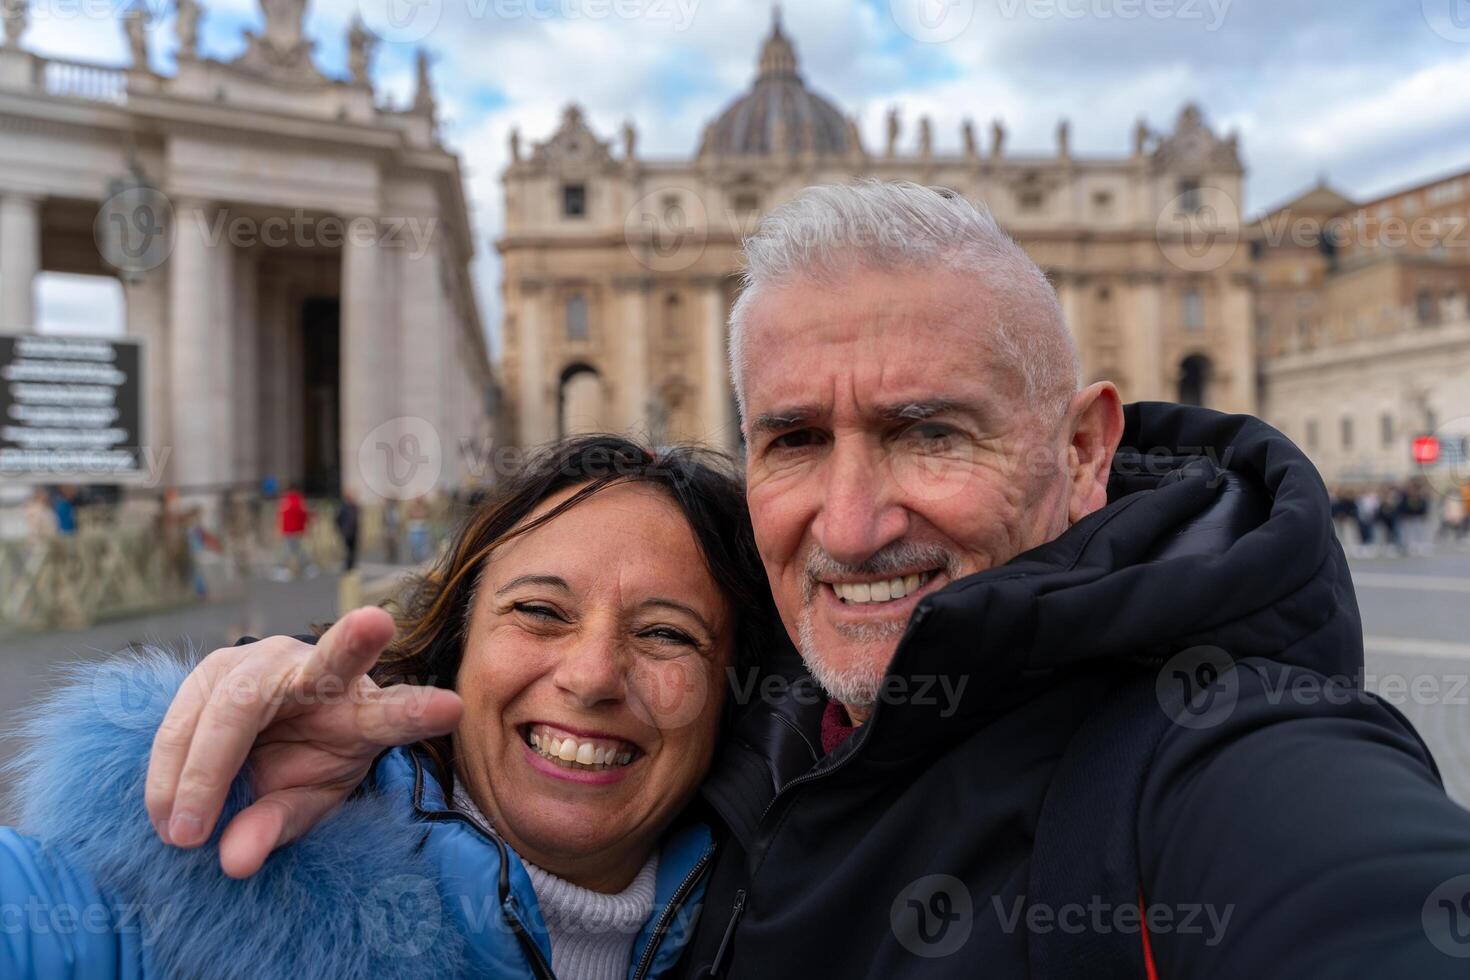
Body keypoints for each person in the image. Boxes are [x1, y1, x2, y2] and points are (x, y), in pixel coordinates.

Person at [136, 182, 1470, 976]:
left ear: (1081, 449)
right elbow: (554, 678)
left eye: (928, 430)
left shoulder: (1224, 759)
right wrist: (346, 746)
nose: (850, 519)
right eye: (790, 440)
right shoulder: (750, 706)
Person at [0, 436, 775, 978]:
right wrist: (211, 808)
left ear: (731, 699)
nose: (594, 675)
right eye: (540, 612)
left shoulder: (792, 925)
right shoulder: (153, 902)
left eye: (667, 633)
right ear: (456, 648)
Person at [276, 484, 311, 578]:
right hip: (296, 529)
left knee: (292, 549)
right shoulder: (298, 500)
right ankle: (283, 568)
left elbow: (281, 515)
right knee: (293, 549)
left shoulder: (285, 500)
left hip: (288, 529)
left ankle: (284, 568)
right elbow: (303, 514)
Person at [335, 489, 360, 572]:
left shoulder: (355, 507)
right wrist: (341, 529)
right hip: (346, 532)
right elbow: (337, 519)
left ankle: (351, 565)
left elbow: (357, 520)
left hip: (354, 532)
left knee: (353, 550)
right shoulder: (343, 507)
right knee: (347, 550)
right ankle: (348, 565)